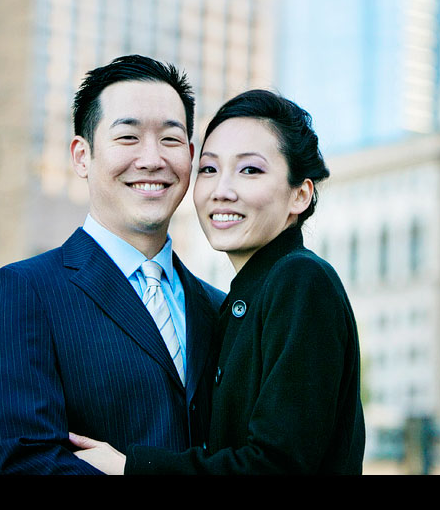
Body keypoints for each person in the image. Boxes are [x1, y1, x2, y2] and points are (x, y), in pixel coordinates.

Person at [69, 89, 365, 474]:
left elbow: (278, 464)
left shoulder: (300, 281)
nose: (221, 191)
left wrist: (132, 467)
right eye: (209, 169)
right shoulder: (241, 299)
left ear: (300, 194)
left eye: (250, 170)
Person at [0, 55, 225, 474]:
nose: (151, 159)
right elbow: (25, 463)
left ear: (191, 156)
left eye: (170, 139)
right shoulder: (26, 292)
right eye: (128, 137)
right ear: (81, 155)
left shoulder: (219, 308)